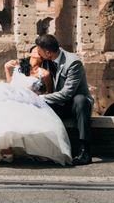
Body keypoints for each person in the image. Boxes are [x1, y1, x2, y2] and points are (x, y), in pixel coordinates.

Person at [35, 34, 93, 166]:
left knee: (80, 100)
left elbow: (67, 93)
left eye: (39, 51)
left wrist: (41, 97)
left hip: (74, 104)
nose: (38, 53)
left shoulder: (73, 63)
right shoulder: (45, 61)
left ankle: (85, 151)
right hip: (58, 103)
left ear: (48, 52)